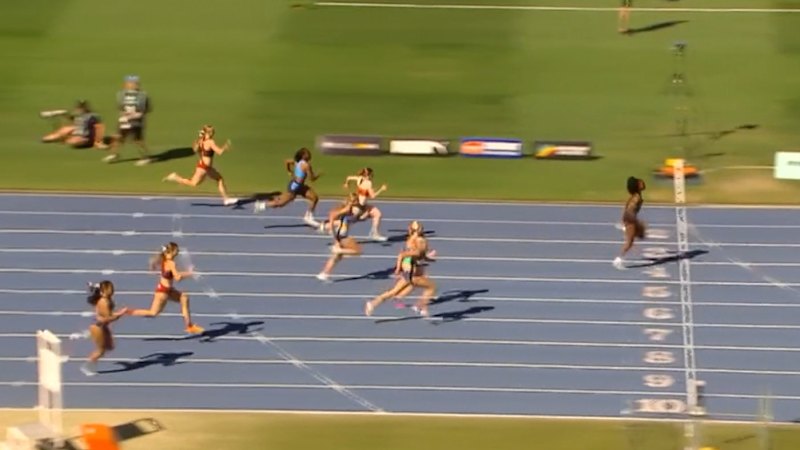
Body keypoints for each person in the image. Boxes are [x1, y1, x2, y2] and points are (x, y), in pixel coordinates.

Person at [365, 221, 437, 317]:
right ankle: (420, 306)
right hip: (411, 272)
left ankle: (373, 303)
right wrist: (398, 269)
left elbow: (421, 255)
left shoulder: (420, 241)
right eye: (418, 229)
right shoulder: (415, 241)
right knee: (431, 287)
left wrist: (429, 259)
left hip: (412, 271)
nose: (420, 230)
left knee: (395, 291)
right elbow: (403, 255)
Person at [128, 242, 204, 334]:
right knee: (152, 313)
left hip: (168, 290)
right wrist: (190, 274)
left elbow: (174, 274)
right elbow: (177, 277)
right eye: (177, 250)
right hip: (163, 292)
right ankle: (128, 311)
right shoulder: (171, 263)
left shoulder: (164, 260)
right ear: (172, 251)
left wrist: (189, 273)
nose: (178, 252)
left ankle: (189, 325)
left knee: (184, 298)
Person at [163, 125, 238, 206]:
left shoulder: (201, 141)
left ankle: (226, 199)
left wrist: (198, 142)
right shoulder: (210, 142)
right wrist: (225, 147)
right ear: (208, 133)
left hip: (207, 167)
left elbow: (196, 150)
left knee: (219, 179)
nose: (213, 133)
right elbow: (219, 152)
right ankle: (175, 177)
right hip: (203, 167)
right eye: (212, 132)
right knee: (193, 183)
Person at [254, 147, 321, 227]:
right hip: (294, 187)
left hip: (300, 186)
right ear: (303, 156)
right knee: (280, 203)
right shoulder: (306, 165)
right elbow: (312, 179)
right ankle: (260, 205)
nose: (309, 155)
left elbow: (287, 161)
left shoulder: (296, 162)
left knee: (314, 198)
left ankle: (308, 216)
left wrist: (289, 171)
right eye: (307, 154)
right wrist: (319, 175)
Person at [103, 75, 152, 165]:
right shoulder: (121, 94)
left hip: (136, 121)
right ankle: (114, 154)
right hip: (124, 120)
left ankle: (145, 157)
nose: (133, 85)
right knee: (119, 137)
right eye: (130, 83)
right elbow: (120, 107)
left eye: (134, 83)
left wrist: (136, 115)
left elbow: (146, 109)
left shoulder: (142, 95)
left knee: (137, 140)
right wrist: (123, 116)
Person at [82, 281, 128, 376]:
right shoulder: (104, 302)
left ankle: (89, 333)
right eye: (109, 289)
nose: (111, 291)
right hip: (99, 327)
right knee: (101, 350)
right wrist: (120, 314)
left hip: (102, 326)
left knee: (110, 346)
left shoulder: (107, 299)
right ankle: (86, 367)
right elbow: (108, 318)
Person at [316, 193, 363, 281]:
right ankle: (339, 250)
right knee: (357, 251)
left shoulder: (352, 209)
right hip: (341, 234)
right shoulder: (347, 209)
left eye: (356, 200)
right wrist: (333, 232)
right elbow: (332, 215)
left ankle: (324, 274)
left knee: (336, 257)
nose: (356, 202)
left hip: (341, 233)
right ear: (351, 201)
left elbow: (352, 217)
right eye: (355, 200)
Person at [343, 167, 388, 241]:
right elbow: (373, 196)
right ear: (368, 175)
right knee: (354, 220)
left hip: (360, 204)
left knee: (377, 213)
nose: (372, 176)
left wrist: (346, 183)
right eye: (371, 175)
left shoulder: (359, 179)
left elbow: (348, 177)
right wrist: (381, 189)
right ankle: (329, 226)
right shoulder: (369, 183)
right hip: (360, 207)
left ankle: (374, 233)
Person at [40, 100, 107, 149]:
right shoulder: (79, 115)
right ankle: (59, 137)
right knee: (66, 129)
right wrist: (60, 113)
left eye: (83, 107)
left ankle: (63, 139)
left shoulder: (93, 116)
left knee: (73, 141)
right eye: (80, 107)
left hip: (85, 138)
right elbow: (73, 119)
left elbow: (99, 128)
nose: (81, 109)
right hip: (77, 134)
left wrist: (98, 142)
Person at [613, 176, 647, 269]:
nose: (643, 183)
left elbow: (626, 206)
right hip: (630, 220)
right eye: (640, 183)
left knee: (641, 234)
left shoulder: (635, 196)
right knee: (629, 243)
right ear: (637, 186)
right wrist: (633, 221)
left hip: (629, 220)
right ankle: (618, 260)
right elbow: (629, 210)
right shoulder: (636, 198)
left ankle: (631, 231)